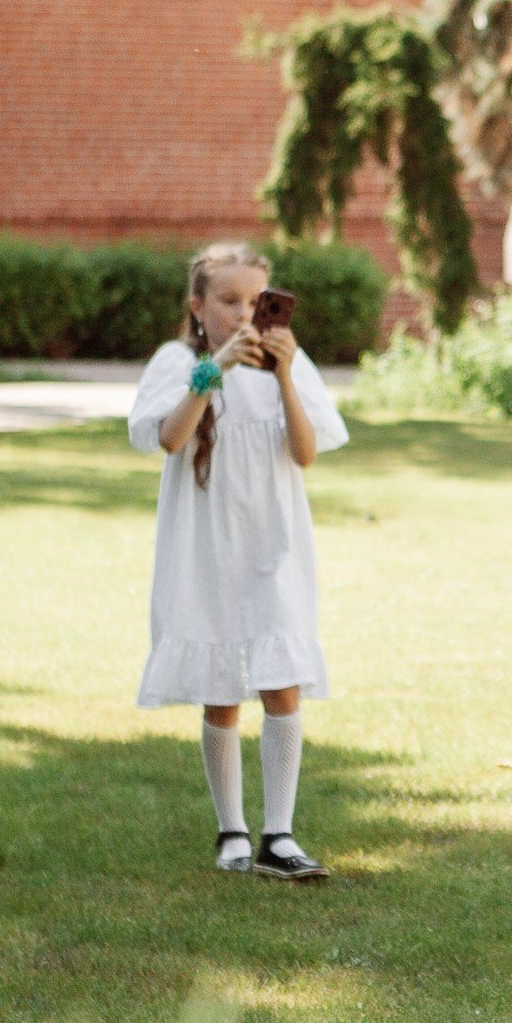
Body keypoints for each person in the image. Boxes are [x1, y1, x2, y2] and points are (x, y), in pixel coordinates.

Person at [128, 241, 348, 882]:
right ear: (198, 306)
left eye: (256, 301)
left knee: (282, 679)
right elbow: (171, 438)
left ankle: (280, 835)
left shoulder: (289, 363)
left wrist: (284, 376)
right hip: (207, 543)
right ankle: (232, 830)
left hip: (273, 540)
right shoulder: (178, 362)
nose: (244, 313)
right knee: (222, 691)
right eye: (229, 300)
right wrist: (214, 369)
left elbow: (305, 452)